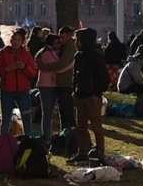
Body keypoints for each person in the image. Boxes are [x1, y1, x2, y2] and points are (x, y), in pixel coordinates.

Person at [66, 27, 109, 165]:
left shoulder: (96, 56)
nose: (76, 43)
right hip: (80, 95)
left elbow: (104, 77)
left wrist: (96, 92)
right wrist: (75, 90)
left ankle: (100, 153)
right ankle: (82, 152)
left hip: (92, 96)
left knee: (96, 126)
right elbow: (75, 75)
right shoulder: (78, 56)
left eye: (78, 40)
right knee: (81, 126)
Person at [0, 28, 37, 136]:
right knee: (6, 118)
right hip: (7, 90)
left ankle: (28, 140)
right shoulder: (3, 53)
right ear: (10, 40)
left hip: (23, 91)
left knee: (26, 117)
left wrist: (24, 67)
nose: (15, 42)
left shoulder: (26, 55)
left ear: (22, 42)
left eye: (18, 40)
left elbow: (33, 73)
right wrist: (7, 69)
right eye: (14, 39)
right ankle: (3, 141)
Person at [37, 26, 77, 131]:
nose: (60, 40)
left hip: (65, 83)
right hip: (59, 83)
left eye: (63, 38)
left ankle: (71, 135)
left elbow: (61, 64)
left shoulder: (70, 47)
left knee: (67, 112)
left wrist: (44, 67)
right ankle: (66, 134)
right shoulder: (59, 49)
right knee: (62, 112)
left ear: (69, 36)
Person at [34, 33, 68, 144]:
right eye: (55, 43)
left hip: (52, 85)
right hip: (46, 85)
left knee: (50, 112)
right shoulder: (47, 54)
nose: (58, 45)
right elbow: (57, 67)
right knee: (47, 112)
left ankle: (48, 135)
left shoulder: (54, 53)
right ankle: (46, 137)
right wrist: (70, 65)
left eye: (59, 42)